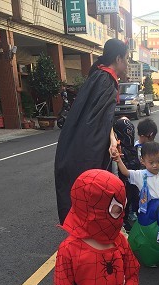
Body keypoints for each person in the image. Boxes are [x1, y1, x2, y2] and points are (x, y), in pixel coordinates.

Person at [54, 38, 129, 224]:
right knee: (94, 185)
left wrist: (112, 138)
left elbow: (102, 119)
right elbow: (98, 122)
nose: (127, 64)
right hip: (89, 147)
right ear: (118, 59)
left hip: (78, 142)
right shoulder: (105, 80)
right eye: (126, 59)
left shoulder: (99, 76)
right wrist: (108, 143)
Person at [110, 140, 159, 246]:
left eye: (158, 161)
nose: (155, 165)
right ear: (142, 161)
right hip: (147, 210)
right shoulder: (140, 175)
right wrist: (118, 160)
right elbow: (126, 172)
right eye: (151, 162)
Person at [112, 116, 141, 231]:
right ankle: (123, 221)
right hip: (123, 181)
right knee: (125, 200)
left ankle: (132, 214)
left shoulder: (131, 147)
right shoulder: (117, 149)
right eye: (127, 132)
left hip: (134, 178)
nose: (130, 134)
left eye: (131, 131)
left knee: (135, 197)